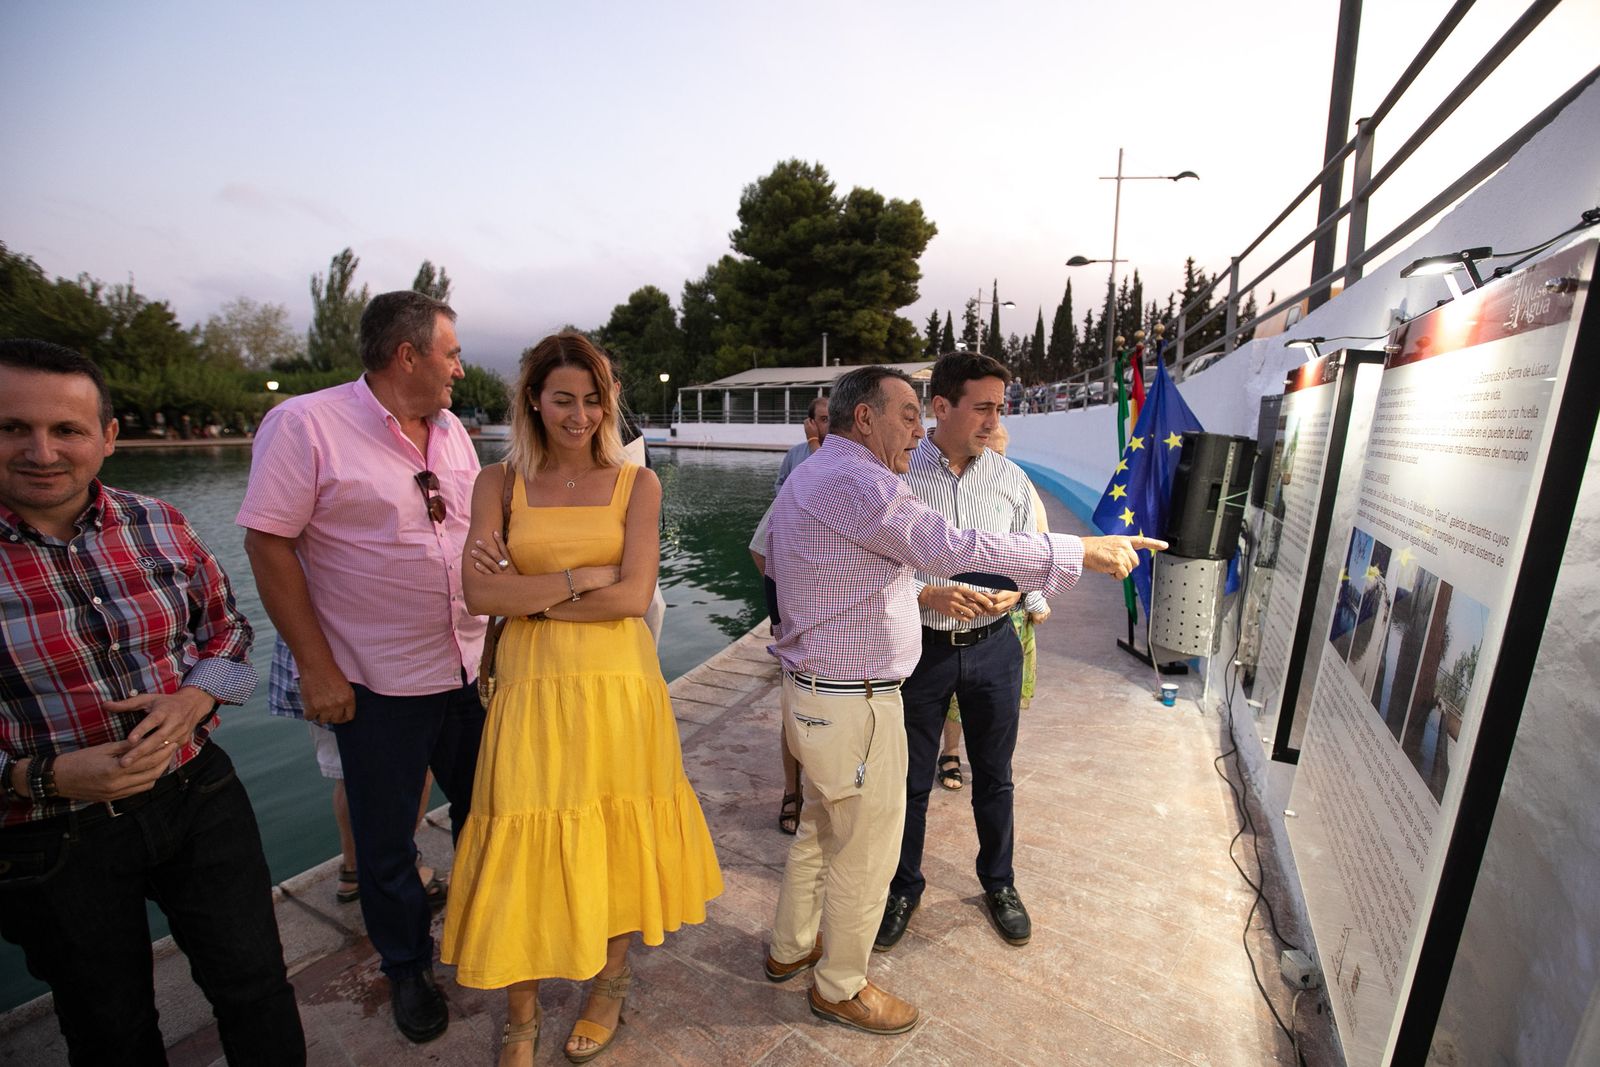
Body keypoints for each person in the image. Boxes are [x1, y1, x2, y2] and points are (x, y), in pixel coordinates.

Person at [763, 365, 1164, 1035]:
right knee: (864, 852)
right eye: (906, 414)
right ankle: (841, 983)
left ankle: (789, 947)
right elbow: (951, 546)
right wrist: (1080, 552)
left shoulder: (812, 470)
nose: (916, 429)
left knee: (820, 827)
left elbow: (803, 564)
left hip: (813, 695)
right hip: (855, 703)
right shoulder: (860, 480)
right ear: (864, 417)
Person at [0, 339, 305, 1063]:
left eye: (67, 429)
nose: (43, 450)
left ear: (106, 437)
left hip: (196, 793)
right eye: (14, 427)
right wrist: (48, 775)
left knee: (256, 983)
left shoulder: (159, 523)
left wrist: (194, 700)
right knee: (109, 1027)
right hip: (48, 835)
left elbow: (227, 634)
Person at [441, 331, 722, 1066]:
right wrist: (574, 580)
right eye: (563, 398)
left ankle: (610, 979)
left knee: (615, 829)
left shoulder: (639, 485)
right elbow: (477, 594)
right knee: (521, 838)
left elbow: (631, 597)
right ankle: (521, 1014)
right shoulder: (496, 484)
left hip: (619, 688)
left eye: (594, 399)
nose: (580, 415)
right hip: (532, 690)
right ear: (533, 398)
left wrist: (526, 598)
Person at [237, 290, 487, 1044]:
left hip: (469, 671)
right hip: (376, 683)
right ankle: (407, 967)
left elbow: (471, 535)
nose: (459, 366)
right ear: (407, 355)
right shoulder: (305, 424)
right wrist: (318, 669)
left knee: (493, 815)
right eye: (451, 351)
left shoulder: (454, 434)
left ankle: (487, 933)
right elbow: (268, 544)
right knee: (384, 844)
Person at [876, 355, 1053, 957]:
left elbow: (1041, 561)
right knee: (908, 780)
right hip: (918, 650)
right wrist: (925, 592)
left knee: (996, 778)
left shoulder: (1011, 481)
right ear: (941, 407)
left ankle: (998, 883)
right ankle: (903, 886)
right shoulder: (895, 478)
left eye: (999, 408)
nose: (993, 420)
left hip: (994, 649)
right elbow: (874, 568)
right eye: (982, 406)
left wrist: (1022, 592)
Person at [266, 638, 446, 906]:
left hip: (316, 664)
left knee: (349, 773)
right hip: (373, 663)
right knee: (414, 768)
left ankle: (354, 869)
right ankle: (399, 867)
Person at [936, 421, 1050, 789]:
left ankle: (991, 762)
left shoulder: (1016, 484)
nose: (994, 456)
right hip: (958, 617)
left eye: (1001, 450)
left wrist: (1026, 595)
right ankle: (950, 753)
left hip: (1007, 618)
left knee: (998, 702)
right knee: (954, 695)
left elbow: (1038, 547)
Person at [773, 395, 830, 491]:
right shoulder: (794, 453)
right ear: (810, 422)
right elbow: (780, 483)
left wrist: (812, 441)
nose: (830, 424)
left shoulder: (845, 454)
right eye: (824, 419)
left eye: (833, 419)